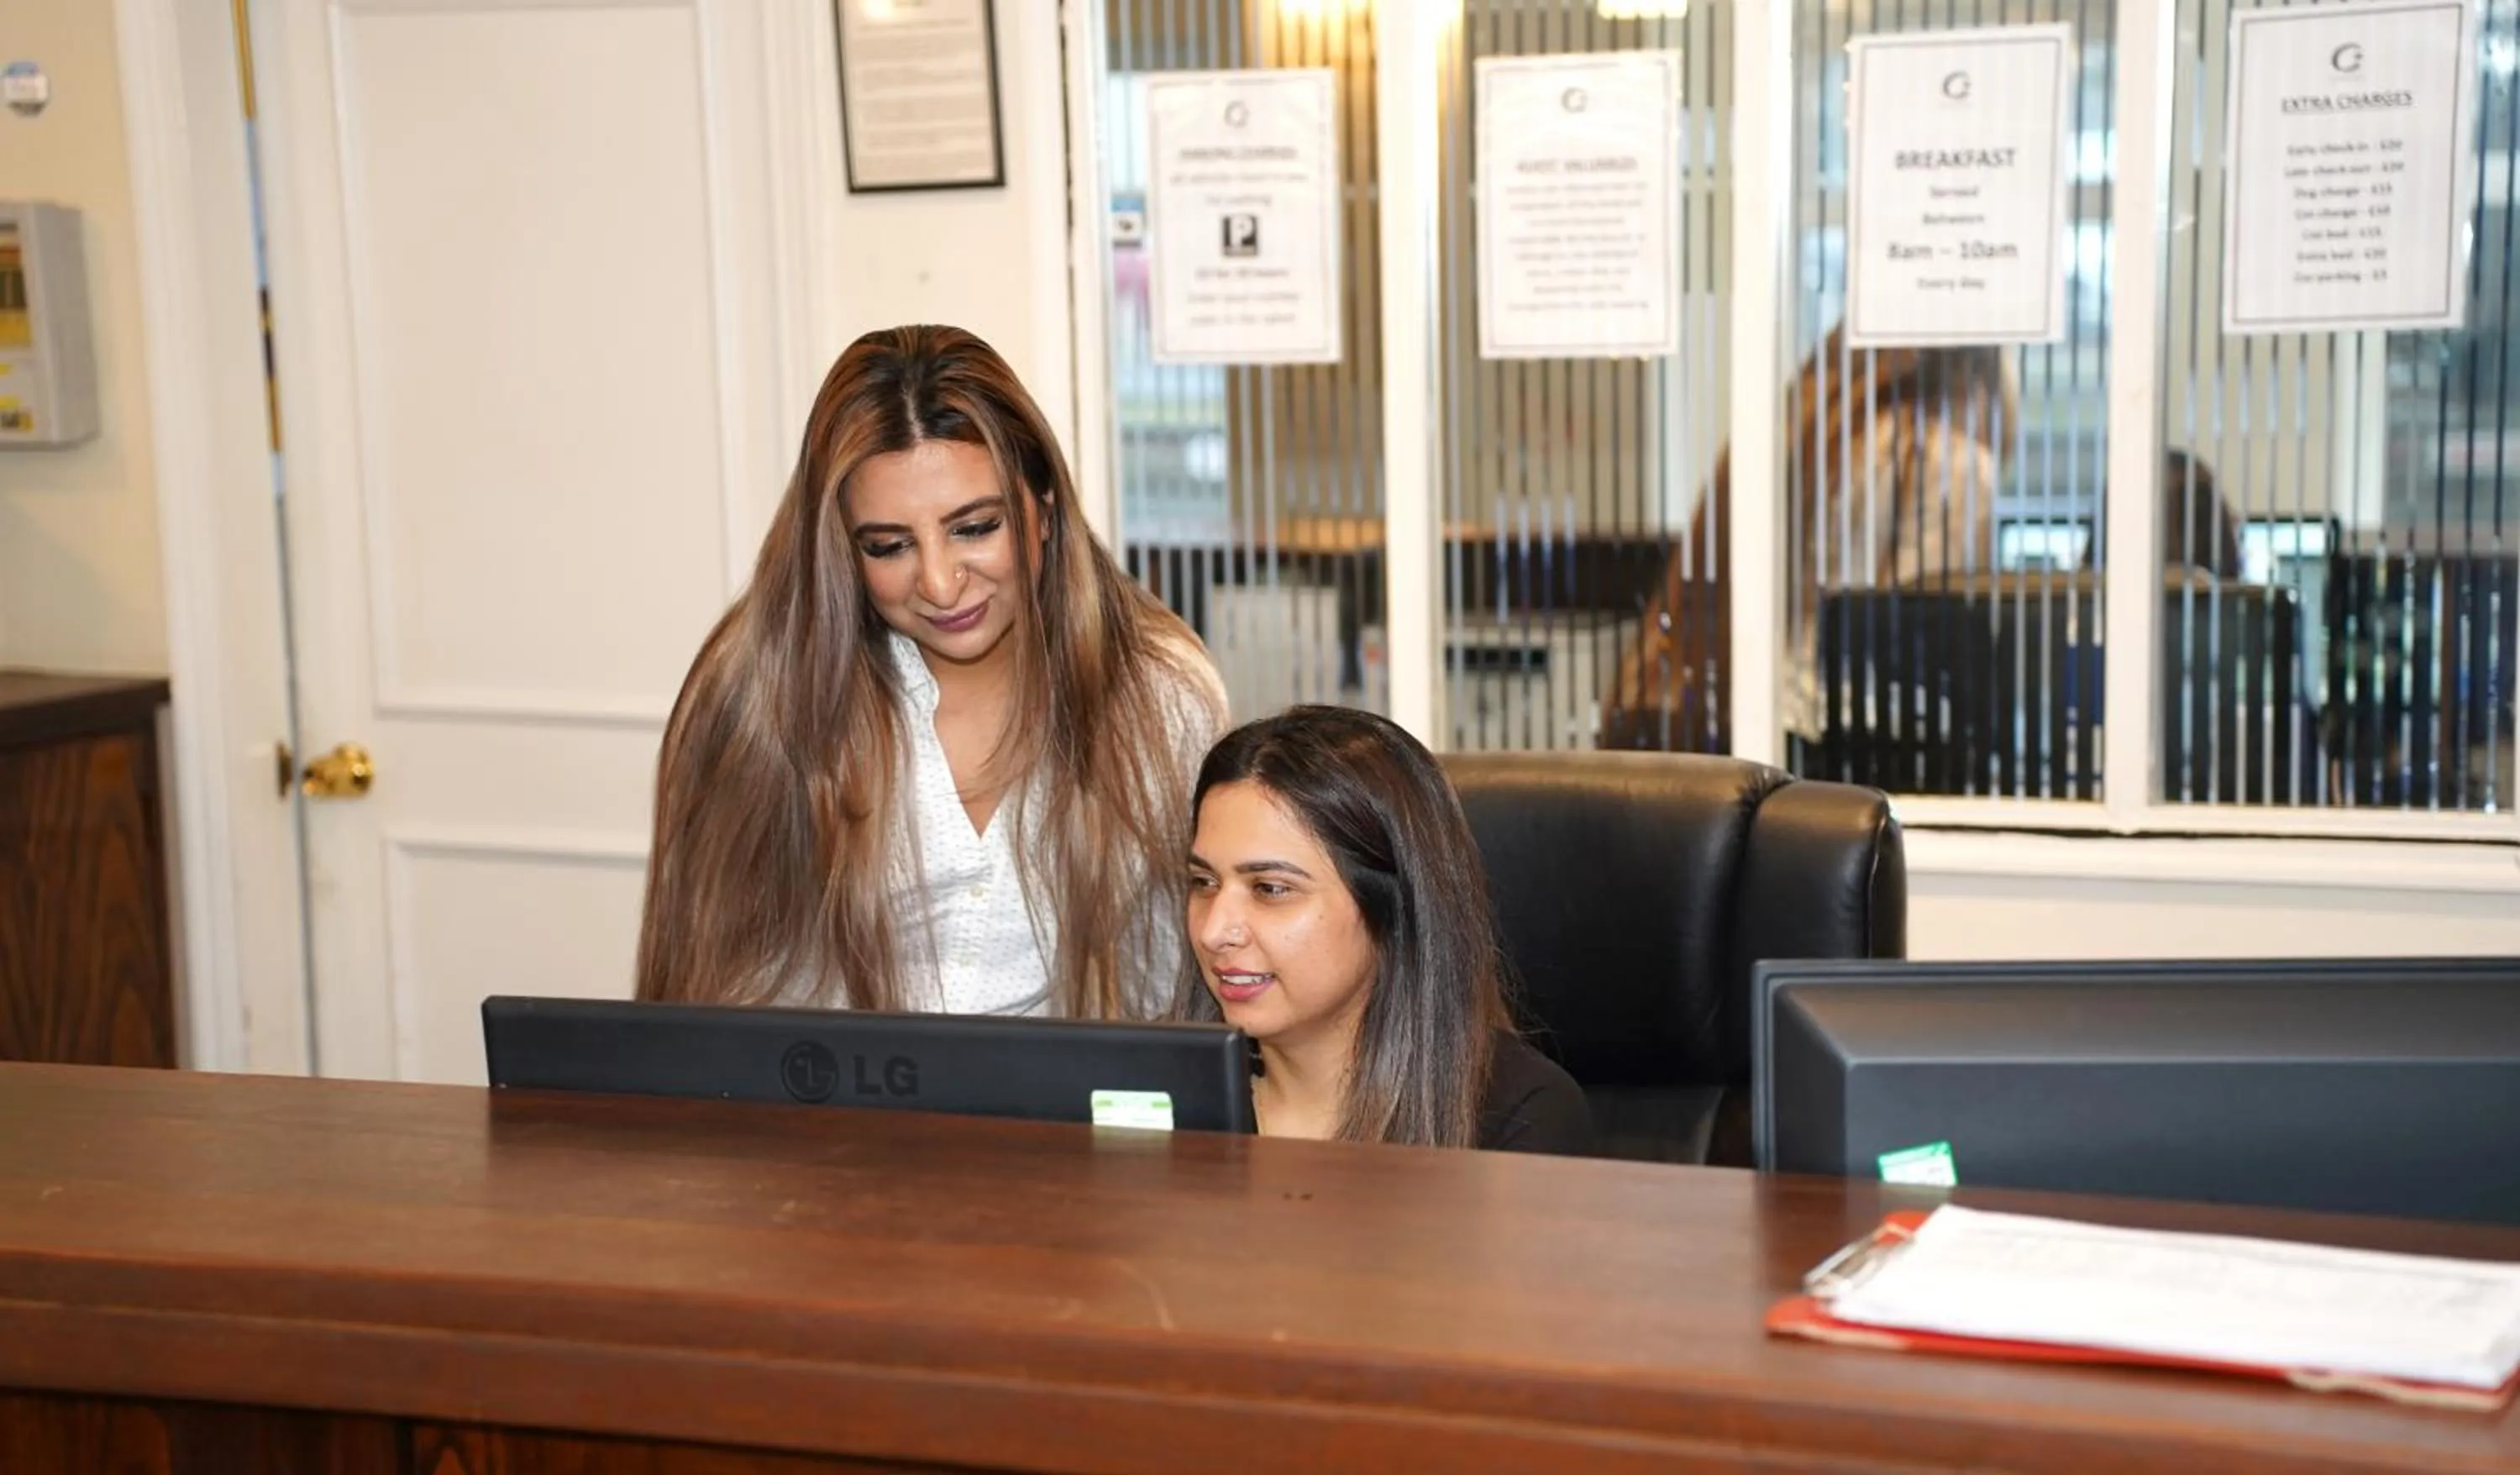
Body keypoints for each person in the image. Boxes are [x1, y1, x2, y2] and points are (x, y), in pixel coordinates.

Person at [636, 325, 1227, 1016]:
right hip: (813, 1119)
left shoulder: (1161, 696)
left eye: (975, 528)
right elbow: (703, 989)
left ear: (1044, 509)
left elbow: (1172, 989)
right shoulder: (758, 690)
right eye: (889, 546)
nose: (942, 584)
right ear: (842, 551)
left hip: (1070, 1118)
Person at [1179, 706, 1593, 1154]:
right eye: (1204, 883)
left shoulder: (1517, 1118)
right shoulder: (1146, 1095)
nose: (1214, 930)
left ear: (1392, 909)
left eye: (1271, 889)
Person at [1604, 328, 2014, 748]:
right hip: (1859, 740)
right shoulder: (1950, 463)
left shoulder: (1785, 442)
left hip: (1748, 722)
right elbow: (1921, 637)